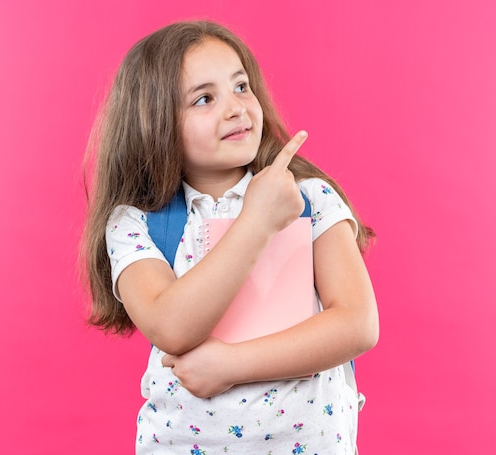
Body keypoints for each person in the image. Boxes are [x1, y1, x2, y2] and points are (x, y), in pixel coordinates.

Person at [81, 20, 379, 454]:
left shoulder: (308, 197)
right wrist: (256, 221)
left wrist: (231, 365)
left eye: (241, 87)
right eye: (205, 98)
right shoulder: (136, 224)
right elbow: (170, 326)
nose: (236, 108)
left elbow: (357, 324)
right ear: (154, 121)